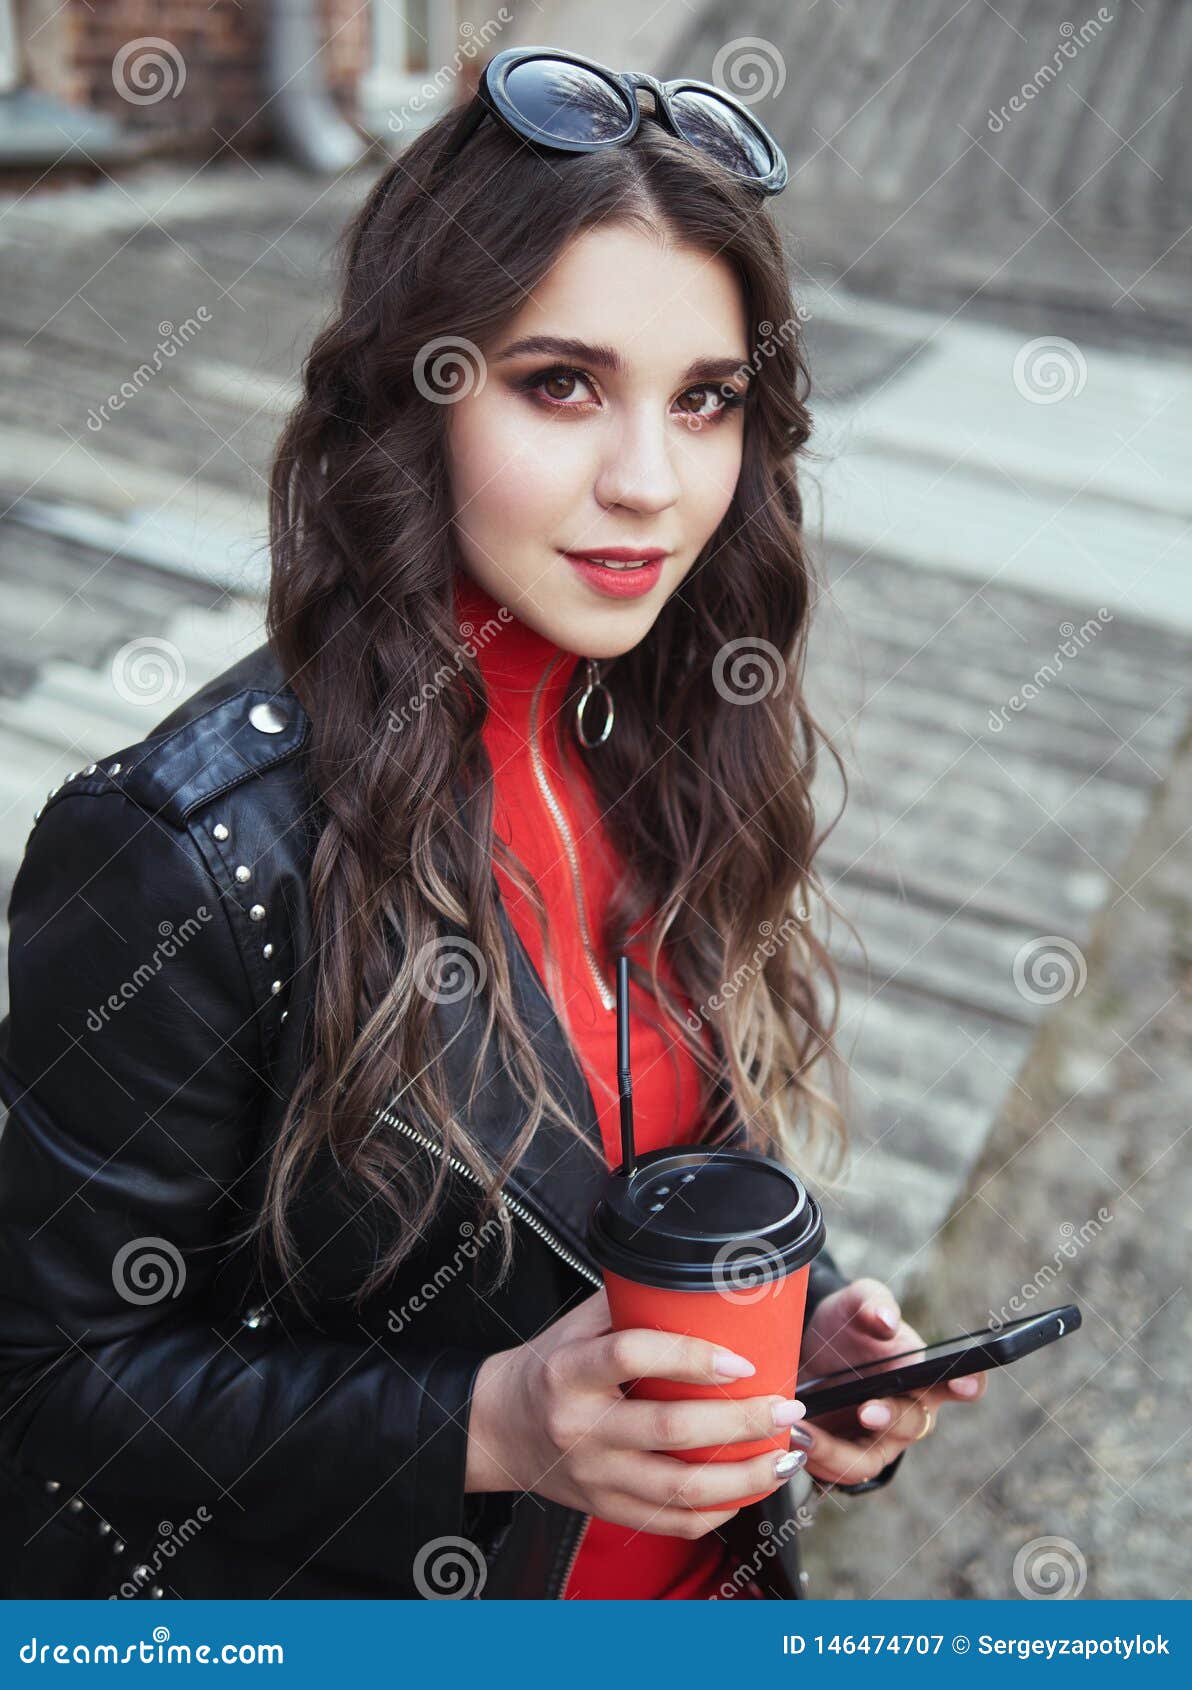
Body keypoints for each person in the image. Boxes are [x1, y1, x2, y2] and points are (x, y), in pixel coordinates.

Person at [0, 47, 986, 1602]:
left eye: (707, 400)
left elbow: (644, 1152)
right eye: (561, 384)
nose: (652, 482)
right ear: (420, 388)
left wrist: (807, 1312)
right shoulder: (186, 853)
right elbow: (50, 1386)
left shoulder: (671, 740)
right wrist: (487, 1422)